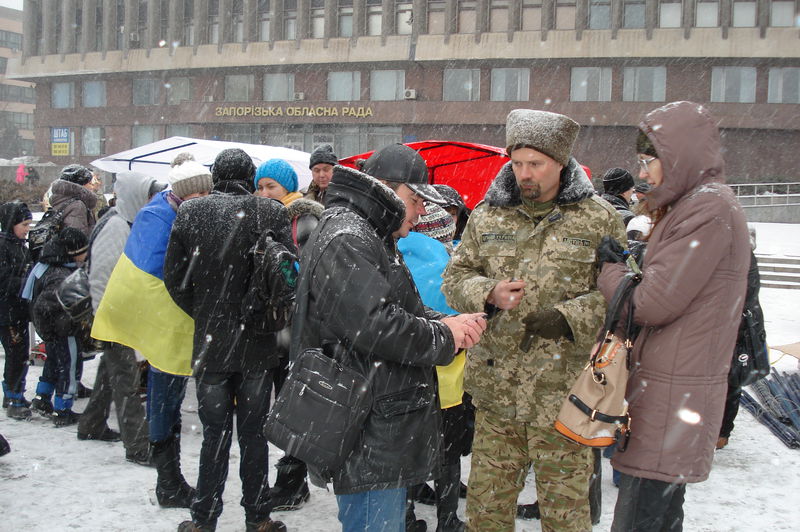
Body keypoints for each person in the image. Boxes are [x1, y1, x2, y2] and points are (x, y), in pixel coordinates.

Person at [441, 109, 627, 531]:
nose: (525, 174)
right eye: (518, 163)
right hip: (496, 394)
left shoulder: (598, 217)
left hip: (564, 395)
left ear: (561, 163)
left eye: (536, 164)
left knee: (565, 514)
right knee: (486, 513)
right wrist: (487, 292)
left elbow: (622, 293)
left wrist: (569, 316)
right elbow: (455, 277)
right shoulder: (488, 215)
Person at [291, 144, 487, 531]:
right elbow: (374, 325)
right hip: (365, 424)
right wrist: (443, 336)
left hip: (374, 418)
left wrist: (451, 322)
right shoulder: (350, 236)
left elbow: (397, 310)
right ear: (384, 188)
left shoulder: (368, 233)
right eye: (415, 200)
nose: (420, 212)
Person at [596, 101, 750, 532]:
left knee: (641, 519)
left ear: (677, 156)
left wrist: (610, 272)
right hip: (668, 391)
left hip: (672, 396)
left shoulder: (707, 208)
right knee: (657, 517)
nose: (642, 174)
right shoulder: (694, 205)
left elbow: (650, 304)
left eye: (649, 162)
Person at [164, 148, 291, 532]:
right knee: (254, 435)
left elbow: (174, 279)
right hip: (258, 343)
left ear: (214, 176)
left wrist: (206, 313)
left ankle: (203, 519)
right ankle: (259, 516)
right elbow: (285, 278)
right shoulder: (271, 212)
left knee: (214, 435)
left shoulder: (189, 213)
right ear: (250, 177)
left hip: (211, 344)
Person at [92, 158, 212, 508]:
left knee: (167, 395)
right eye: (199, 192)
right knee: (164, 396)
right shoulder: (158, 217)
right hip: (162, 320)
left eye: (208, 190)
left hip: (167, 320)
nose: (205, 198)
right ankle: (169, 481)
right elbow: (162, 274)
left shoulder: (170, 212)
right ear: (181, 193)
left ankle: (170, 480)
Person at [398, 202, 470, 532]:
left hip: (404, 378)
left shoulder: (392, 258)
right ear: (444, 235)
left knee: (404, 448)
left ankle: (406, 514)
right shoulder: (450, 269)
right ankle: (447, 518)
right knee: (449, 453)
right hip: (448, 382)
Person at [77, 172, 158, 465]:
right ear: (137, 195)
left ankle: (91, 424)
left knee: (112, 373)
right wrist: (105, 318)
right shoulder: (116, 226)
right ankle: (138, 446)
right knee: (126, 378)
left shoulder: (127, 221)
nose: (153, 201)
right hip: (114, 316)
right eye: (149, 195)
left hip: (120, 313)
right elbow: (101, 276)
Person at [24, 227, 90, 426]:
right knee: (70, 367)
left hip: (52, 330)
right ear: (72, 252)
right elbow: (48, 302)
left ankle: (42, 398)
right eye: (83, 251)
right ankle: (63, 408)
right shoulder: (61, 274)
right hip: (64, 329)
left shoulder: (48, 264)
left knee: (53, 363)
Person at [1, 201, 34, 419]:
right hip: (7, 312)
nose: (27, 229)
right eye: (23, 224)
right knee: (16, 353)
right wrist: (26, 282)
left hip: (18, 310)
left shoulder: (19, 245)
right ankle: (13, 396)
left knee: (21, 353)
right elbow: (3, 280)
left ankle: (14, 393)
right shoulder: (4, 246)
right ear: (11, 223)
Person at [49, 164, 98, 237]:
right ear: (81, 185)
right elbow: (75, 239)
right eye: (89, 183)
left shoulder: (61, 198)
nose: (92, 187)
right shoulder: (77, 205)